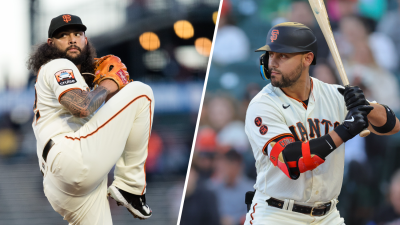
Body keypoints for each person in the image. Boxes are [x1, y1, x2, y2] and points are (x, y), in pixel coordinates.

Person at [243, 22, 400, 225]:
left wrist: (367, 106)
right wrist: (344, 131)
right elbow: (292, 161)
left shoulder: (333, 94)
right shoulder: (261, 105)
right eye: (271, 54)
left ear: (307, 58)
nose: (273, 62)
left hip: (327, 215)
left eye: (283, 55)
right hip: (277, 214)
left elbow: (392, 125)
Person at [28, 14, 154, 224]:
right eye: (63, 35)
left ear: (85, 39)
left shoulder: (81, 76)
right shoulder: (57, 64)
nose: (72, 39)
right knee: (141, 92)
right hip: (69, 155)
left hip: (63, 184)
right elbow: (82, 106)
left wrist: (103, 86)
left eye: (77, 33)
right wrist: (110, 83)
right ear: (50, 44)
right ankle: (131, 187)